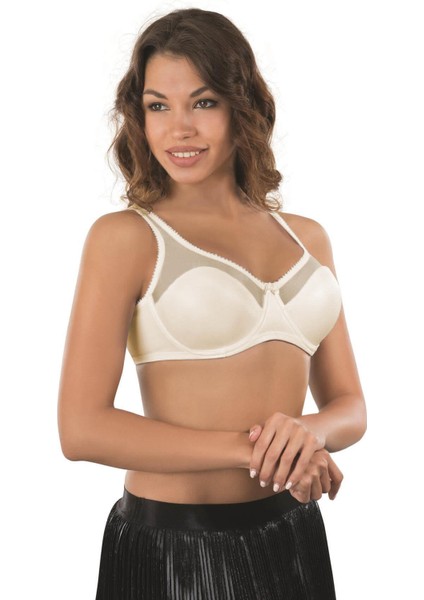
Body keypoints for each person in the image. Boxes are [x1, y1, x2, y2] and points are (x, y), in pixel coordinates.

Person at [57, 7, 366, 599]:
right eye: (157, 106)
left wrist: (307, 434)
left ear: (241, 105)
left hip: (294, 534)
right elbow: (81, 429)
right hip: (173, 550)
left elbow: (350, 406)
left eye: (202, 102)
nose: (179, 129)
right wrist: (255, 451)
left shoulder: (308, 238)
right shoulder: (126, 238)